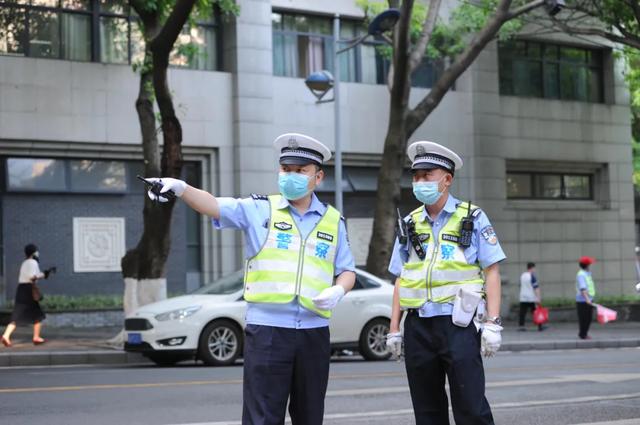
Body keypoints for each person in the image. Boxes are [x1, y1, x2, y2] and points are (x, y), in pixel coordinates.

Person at [145, 133, 355, 425]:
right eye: (286, 170)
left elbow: (347, 270)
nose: (290, 176)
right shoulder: (259, 209)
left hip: (314, 333)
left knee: (310, 416)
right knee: (262, 417)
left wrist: (338, 290)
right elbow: (213, 204)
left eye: (300, 171)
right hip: (268, 331)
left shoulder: (334, 221)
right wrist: (181, 188)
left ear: (317, 177)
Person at [385, 141, 506, 425]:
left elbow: (492, 271)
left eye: (427, 175)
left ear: (447, 179)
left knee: (471, 408)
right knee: (427, 412)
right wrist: (394, 329)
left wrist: (493, 322)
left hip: (459, 326)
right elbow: (401, 277)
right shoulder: (411, 222)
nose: (419, 181)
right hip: (418, 328)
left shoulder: (472, 217)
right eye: (416, 176)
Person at [2, 244, 52, 347]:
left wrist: (43, 274)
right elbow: (32, 277)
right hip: (29, 290)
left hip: (21, 290)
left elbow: (32, 276)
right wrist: (45, 274)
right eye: (37, 251)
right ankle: (36, 337)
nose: (38, 253)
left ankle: (6, 336)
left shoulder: (24, 262)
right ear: (34, 253)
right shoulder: (33, 262)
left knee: (17, 314)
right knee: (38, 315)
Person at [518, 262, 546, 331]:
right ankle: (539, 325)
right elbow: (536, 287)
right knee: (535, 312)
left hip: (523, 297)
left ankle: (521, 326)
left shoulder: (522, 276)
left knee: (522, 312)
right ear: (532, 268)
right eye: (534, 268)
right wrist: (538, 297)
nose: (534, 270)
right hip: (531, 297)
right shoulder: (532, 276)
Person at [576, 256, 596, 340]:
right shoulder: (581, 275)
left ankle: (584, 333)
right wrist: (587, 299)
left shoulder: (587, 274)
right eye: (589, 264)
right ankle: (583, 334)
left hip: (589, 300)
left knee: (588, 318)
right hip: (583, 301)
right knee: (584, 319)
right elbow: (583, 288)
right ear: (587, 265)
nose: (590, 266)